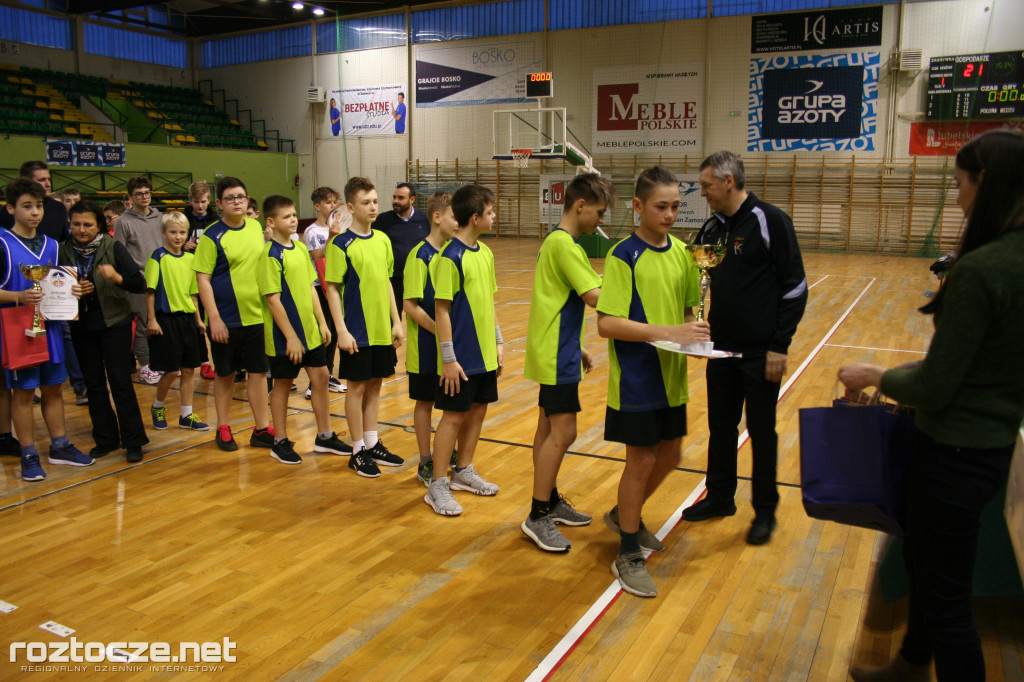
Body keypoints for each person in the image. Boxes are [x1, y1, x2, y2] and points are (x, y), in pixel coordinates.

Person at [839, 129, 1024, 682]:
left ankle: (923, 661)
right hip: (987, 448)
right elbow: (972, 366)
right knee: (924, 566)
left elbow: (939, 384)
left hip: (954, 453)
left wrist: (877, 374)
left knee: (947, 601)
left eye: (960, 180)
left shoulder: (984, 267)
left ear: (984, 183)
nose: (956, 192)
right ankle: (912, 664)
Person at [681, 150, 807, 547]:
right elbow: (693, 276)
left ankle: (764, 511)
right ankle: (719, 498)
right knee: (721, 426)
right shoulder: (711, 228)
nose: (703, 193)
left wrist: (779, 345)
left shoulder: (770, 221)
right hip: (721, 350)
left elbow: (796, 288)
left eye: (706, 186)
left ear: (728, 181)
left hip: (760, 351)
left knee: (761, 430)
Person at [596, 166, 710, 597]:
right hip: (637, 379)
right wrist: (668, 333)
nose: (669, 214)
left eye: (676, 206)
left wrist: (696, 334)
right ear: (639, 206)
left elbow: (686, 314)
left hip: (672, 377)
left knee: (672, 454)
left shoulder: (683, 253)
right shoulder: (624, 255)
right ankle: (626, 551)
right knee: (640, 462)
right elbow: (607, 324)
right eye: (661, 207)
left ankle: (624, 515)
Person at [521, 173, 613, 552]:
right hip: (555, 354)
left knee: (547, 428)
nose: (601, 221)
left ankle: (549, 498)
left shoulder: (558, 242)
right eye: (599, 212)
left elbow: (561, 300)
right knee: (564, 432)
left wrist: (579, 347)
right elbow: (594, 296)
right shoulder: (566, 246)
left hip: (558, 349)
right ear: (580, 206)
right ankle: (538, 513)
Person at [0, 178, 93, 481]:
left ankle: (60, 445)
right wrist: (17, 297)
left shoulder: (53, 245)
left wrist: (75, 291)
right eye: (27, 206)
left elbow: (60, 283)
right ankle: (28, 453)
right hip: (18, 330)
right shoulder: (2, 243)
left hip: (51, 326)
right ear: (11, 208)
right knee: (24, 393)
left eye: (38, 206)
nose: (35, 212)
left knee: (54, 389)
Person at [422, 184, 503, 516]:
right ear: (475, 217)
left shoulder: (485, 253)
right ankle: (437, 484)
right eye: (491, 211)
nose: (494, 216)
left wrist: (498, 341)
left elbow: (489, 300)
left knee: (479, 410)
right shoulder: (448, 258)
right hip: (461, 357)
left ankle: (464, 470)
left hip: (485, 352)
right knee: (453, 417)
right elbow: (441, 310)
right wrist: (449, 358)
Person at [259, 195, 351, 465]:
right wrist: (290, 337)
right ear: (271, 221)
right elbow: (272, 299)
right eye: (287, 216)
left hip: (310, 332)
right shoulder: (269, 255)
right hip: (285, 338)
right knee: (283, 385)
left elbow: (312, 288)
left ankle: (324, 435)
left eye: (294, 215)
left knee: (321, 379)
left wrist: (322, 323)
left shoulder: (299, 249)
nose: (293, 220)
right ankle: (280, 441)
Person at [324, 176, 404, 477]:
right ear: (350, 207)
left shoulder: (382, 240)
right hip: (356, 331)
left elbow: (386, 283)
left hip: (381, 330)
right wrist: (341, 330)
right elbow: (332, 288)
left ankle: (372, 442)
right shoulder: (341, 244)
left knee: (376, 385)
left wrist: (396, 322)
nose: (373, 207)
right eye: (365, 202)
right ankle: (357, 449)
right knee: (356, 388)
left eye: (375, 201)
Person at [59, 199, 149, 463]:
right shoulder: (63, 250)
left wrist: (116, 277)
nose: (82, 229)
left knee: (120, 381)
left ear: (99, 225)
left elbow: (138, 283)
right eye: (76, 224)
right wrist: (71, 290)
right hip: (81, 325)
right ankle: (106, 438)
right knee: (94, 384)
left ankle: (133, 440)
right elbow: (54, 286)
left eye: (88, 224)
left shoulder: (113, 247)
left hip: (115, 323)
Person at [193, 177, 274, 452]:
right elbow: (202, 279)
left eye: (241, 196)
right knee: (226, 374)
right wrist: (213, 318)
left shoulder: (255, 226)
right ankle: (223, 427)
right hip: (226, 318)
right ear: (219, 203)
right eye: (230, 198)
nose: (237, 201)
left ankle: (262, 428)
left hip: (257, 315)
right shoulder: (211, 236)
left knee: (258, 373)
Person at [403, 191, 463, 486]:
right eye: (455, 217)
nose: (459, 223)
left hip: (447, 347)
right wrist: (439, 331)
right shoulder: (419, 256)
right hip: (426, 347)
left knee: (452, 405)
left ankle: (448, 452)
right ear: (437, 218)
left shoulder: (454, 252)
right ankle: (426, 460)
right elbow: (410, 305)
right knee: (425, 402)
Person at [145, 211, 209, 434]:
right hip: (165, 319)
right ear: (164, 233)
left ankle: (186, 414)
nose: (178, 236)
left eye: (182, 232)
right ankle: (158, 406)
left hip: (187, 320)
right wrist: (151, 319)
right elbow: (150, 291)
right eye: (173, 232)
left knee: (190, 370)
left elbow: (193, 294)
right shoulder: (158, 257)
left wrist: (199, 320)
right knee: (172, 371)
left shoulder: (191, 259)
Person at [114, 176, 164, 386]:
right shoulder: (124, 222)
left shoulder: (160, 217)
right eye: (139, 194)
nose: (144, 197)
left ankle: (160, 361)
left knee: (161, 321)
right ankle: (145, 366)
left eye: (147, 193)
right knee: (144, 323)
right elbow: (119, 252)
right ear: (130, 197)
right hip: (139, 281)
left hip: (162, 277)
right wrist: (130, 278)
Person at [301, 187, 345, 397]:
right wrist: (331, 237)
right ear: (317, 206)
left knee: (336, 332)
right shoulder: (312, 231)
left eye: (334, 202)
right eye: (328, 202)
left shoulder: (340, 227)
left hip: (335, 285)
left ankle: (328, 375)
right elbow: (319, 256)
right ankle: (315, 381)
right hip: (319, 287)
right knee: (324, 332)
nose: (332, 206)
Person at [371, 183, 430, 311]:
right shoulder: (383, 220)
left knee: (418, 319)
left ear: (412, 199)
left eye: (400, 198)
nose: (395, 201)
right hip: (393, 280)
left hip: (418, 280)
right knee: (392, 319)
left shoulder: (425, 219)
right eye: (394, 197)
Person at [182, 182, 216, 379]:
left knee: (213, 319)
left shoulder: (215, 221)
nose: (200, 206)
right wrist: (182, 245)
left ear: (209, 201)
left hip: (210, 277)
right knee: (196, 321)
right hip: (188, 275)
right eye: (196, 202)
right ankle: (204, 361)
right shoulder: (183, 219)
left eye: (203, 202)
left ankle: (218, 359)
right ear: (190, 201)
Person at [0, 161, 69, 241]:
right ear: (27, 182)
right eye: (42, 180)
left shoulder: (59, 208)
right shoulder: (6, 212)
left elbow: (64, 241)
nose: (48, 184)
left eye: (48, 179)